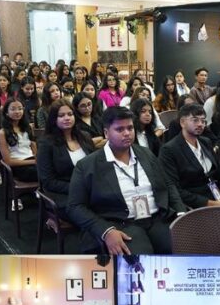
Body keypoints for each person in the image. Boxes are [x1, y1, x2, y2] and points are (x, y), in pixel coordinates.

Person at [67, 107, 186, 255]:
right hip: (121, 223)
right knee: (139, 259)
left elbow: (168, 184)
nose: (127, 133)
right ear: (106, 133)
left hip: (157, 217)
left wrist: (181, 213)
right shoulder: (87, 165)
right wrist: (106, 231)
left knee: (185, 248)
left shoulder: (145, 153)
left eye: (130, 128)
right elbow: (75, 207)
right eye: (120, 129)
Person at [159, 103, 220, 238]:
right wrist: (210, 203)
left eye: (203, 121)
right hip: (199, 203)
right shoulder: (169, 150)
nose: (200, 124)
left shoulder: (206, 142)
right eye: (195, 120)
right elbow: (175, 189)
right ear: (182, 122)